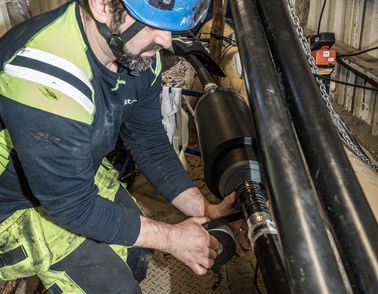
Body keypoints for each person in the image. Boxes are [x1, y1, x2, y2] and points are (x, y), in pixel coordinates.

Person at [0, 0, 242, 293]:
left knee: (136, 253)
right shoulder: (46, 76)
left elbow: (148, 139)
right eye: (153, 22)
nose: (165, 41)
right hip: (14, 205)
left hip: (71, 170)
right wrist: (172, 238)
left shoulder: (134, 51)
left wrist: (204, 208)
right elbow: (72, 206)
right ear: (103, 5)